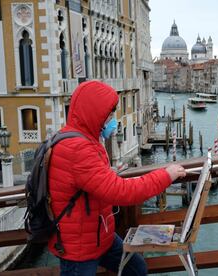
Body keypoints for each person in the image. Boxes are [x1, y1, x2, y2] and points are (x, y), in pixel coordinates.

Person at [48, 80, 186, 275]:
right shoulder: (77, 149)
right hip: (79, 246)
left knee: (136, 268)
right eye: (109, 113)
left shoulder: (85, 140)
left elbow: (94, 182)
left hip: (98, 236)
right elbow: (121, 192)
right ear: (94, 112)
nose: (112, 118)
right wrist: (166, 175)